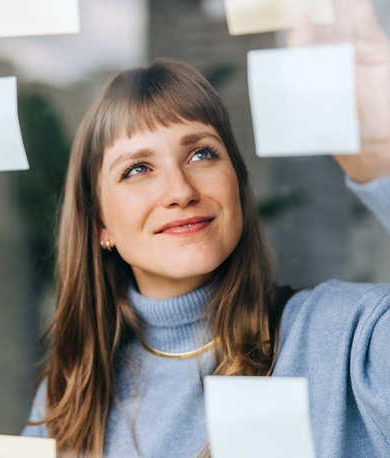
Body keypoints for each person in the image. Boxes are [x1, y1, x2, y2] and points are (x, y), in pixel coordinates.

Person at [22, 0, 390, 456]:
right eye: (137, 169)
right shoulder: (69, 395)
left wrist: (384, 157)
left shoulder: (346, 338)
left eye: (202, 154)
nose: (180, 190)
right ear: (100, 223)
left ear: (236, 180)